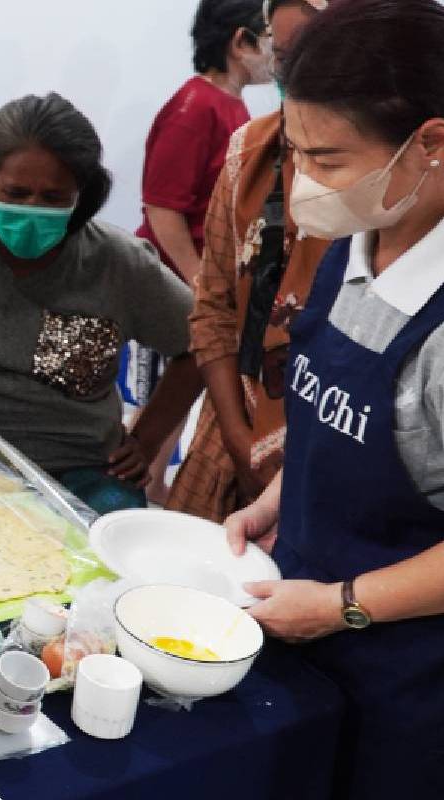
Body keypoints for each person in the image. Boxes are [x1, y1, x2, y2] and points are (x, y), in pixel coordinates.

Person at [226, 1, 444, 795]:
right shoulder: (367, 230)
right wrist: (281, 495)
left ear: (432, 144)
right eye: (299, 153)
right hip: (310, 622)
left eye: (330, 159)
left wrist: (342, 605)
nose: (307, 182)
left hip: (413, 682)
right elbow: (342, 412)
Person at [0, 94, 201, 515]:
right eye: (16, 193)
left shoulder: (118, 262)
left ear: (83, 195)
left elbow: (201, 344)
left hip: (75, 470)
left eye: (53, 197)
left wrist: (146, 441)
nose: (32, 210)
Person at [166, 0, 330, 521]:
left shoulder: (433, 180)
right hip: (235, 428)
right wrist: (240, 442)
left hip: (337, 468)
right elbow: (213, 308)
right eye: (282, 55)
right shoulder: (251, 151)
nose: (295, 75)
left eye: (316, 53)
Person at [136, 0, 270, 282]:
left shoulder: (231, 104)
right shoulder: (194, 109)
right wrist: (197, 282)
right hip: (174, 282)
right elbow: (163, 208)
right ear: (242, 42)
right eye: (271, 36)